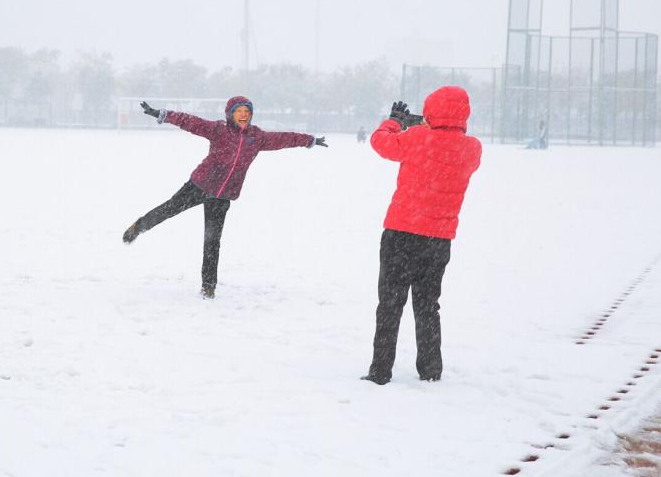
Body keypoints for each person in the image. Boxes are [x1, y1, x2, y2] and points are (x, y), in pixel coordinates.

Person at [123, 96, 328, 299]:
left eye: (247, 113)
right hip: (200, 185)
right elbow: (190, 122)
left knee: (212, 241)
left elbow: (284, 139)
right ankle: (139, 227)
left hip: (223, 197)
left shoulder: (257, 138)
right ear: (230, 114)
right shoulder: (219, 130)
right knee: (169, 209)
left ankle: (208, 287)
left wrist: (309, 140)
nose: (243, 116)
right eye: (239, 112)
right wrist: (162, 114)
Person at [362, 86, 482, 385]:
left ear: (429, 111)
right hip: (439, 239)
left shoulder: (415, 138)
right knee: (428, 304)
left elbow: (380, 143)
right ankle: (430, 369)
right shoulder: (472, 148)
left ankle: (380, 371)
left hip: (401, 233)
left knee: (390, 303)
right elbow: (444, 146)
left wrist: (393, 122)